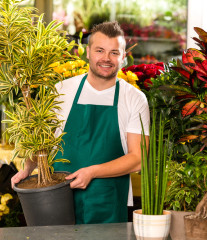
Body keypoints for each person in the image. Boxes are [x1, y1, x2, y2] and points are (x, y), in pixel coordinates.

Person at [11, 21, 150, 224]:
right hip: (57, 197)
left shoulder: (134, 98)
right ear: (87, 52)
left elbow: (138, 158)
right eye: (100, 50)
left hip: (107, 202)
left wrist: (92, 172)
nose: (106, 58)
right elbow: (43, 141)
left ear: (123, 57)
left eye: (114, 52)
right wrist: (27, 167)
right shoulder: (61, 90)